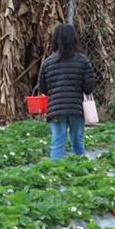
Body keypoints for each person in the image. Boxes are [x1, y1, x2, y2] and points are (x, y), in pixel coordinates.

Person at [38, 23, 95, 160]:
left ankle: (55, 176)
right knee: (77, 141)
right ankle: (81, 172)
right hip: (76, 108)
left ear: (55, 39)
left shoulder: (48, 62)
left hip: (56, 109)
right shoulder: (83, 60)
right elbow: (89, 88)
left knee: (57, 141)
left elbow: (42, 88)